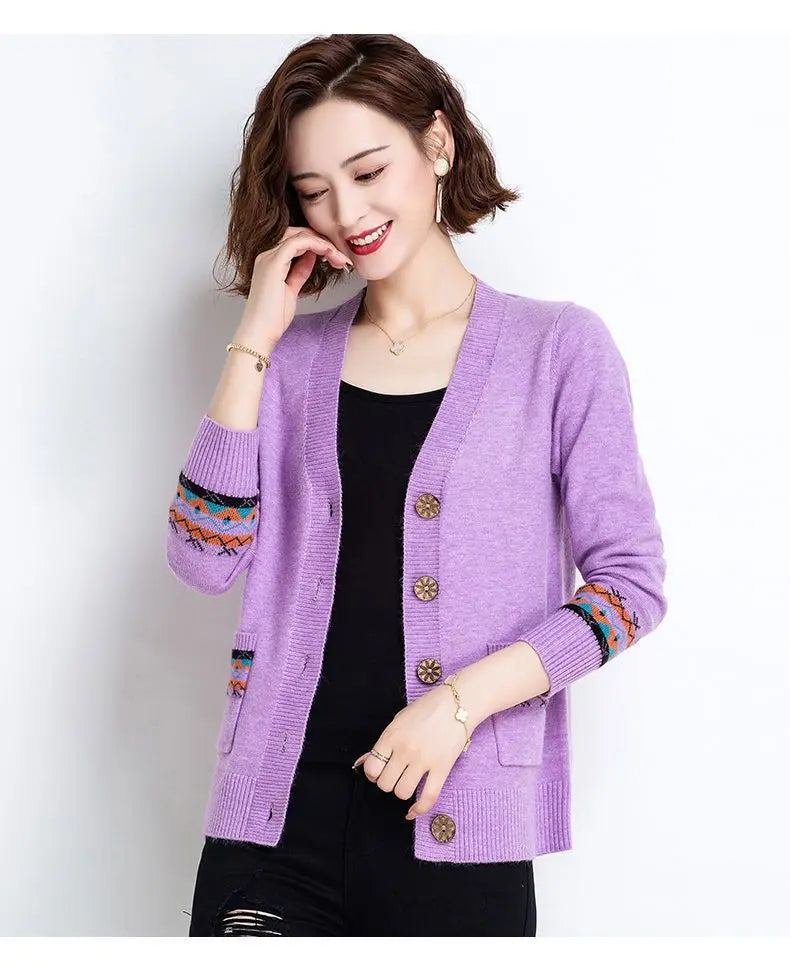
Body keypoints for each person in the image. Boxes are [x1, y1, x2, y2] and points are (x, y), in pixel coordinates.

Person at [167, 34, 667, 937]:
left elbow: (629, 588)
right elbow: (203, 559)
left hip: (459, 829)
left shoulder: (557, 350)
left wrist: (459, 706)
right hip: (274, 827)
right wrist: (255, 341)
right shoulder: (290, 362)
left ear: (437, 143)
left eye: (368, 172)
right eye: (314, 190)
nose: (346, 212)